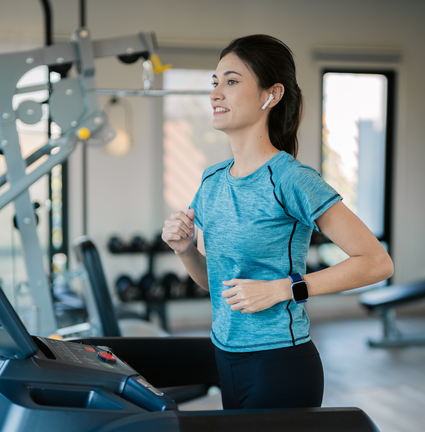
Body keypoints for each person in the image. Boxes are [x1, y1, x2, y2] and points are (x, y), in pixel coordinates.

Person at [161, 34, 394, 410]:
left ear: (271, 95)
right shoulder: (211, 180)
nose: (216, 93)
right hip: (225, 356)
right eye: (215, 82)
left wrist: (285, 289)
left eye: (232, 81)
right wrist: (185, 250)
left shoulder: (290, 178)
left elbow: (376, 262)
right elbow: (218, 285)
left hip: (280, 363)